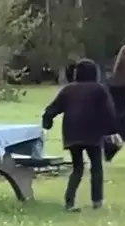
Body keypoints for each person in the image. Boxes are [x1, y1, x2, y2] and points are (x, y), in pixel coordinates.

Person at [42, 58, 118, 211]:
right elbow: (109, 112)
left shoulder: (68, 90)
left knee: (77, 168)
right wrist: (111, 131)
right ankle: (97, 201)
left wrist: (47, 122)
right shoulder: (99, 89)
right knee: (96, 167)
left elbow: (52, 109)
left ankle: (70, 201)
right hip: (93, 133)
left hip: (72, 133)